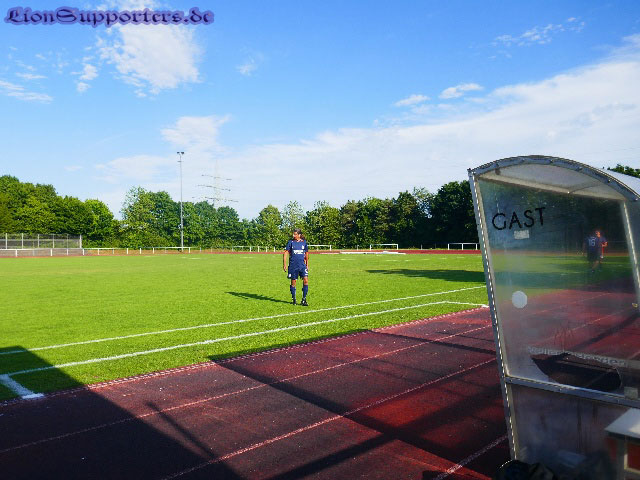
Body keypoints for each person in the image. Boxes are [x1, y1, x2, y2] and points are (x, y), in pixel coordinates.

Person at [283, 228, 309, 305]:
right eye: (293, 234)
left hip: (302, 266)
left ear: (299, 235)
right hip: (293, 266)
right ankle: (294, 299)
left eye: (295, 234)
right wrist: (284, 264)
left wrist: (307, 264)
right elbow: (286, 253)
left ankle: (304, 300)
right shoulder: (290, 242)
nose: (293, 235)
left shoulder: (304, 242)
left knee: (306, 280)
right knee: (293, 282)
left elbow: (306, 253)